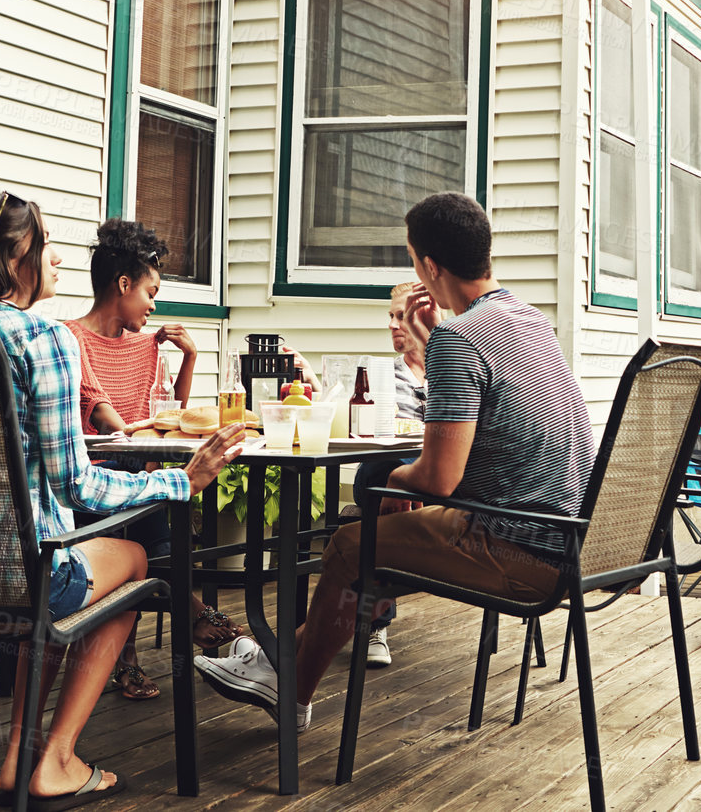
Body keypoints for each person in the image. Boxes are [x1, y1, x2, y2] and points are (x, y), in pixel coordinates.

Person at [195, 192, 593, 730]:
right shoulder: (528, 320)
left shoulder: (460, 336)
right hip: (564, 538)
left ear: (430, 266)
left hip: (514, 552)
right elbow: (481, 398)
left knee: (349, 541)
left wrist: (386, 474)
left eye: (414, 262)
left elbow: (439, 477)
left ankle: (288, 688)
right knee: (373, 534)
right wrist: (435, 342)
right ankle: (275, 657)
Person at [0, 191, 244, 805]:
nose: (58, 258)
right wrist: (183, 480)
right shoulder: (42, 339)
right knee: (132, 562)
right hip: (10, 573)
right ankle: (52, 757)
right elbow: (78, 483)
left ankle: (22, 753)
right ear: (17, 258)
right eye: (44, 246)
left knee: (42, 570)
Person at [63, 218, 244, 700]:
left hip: (132, 478)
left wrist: (188, 361)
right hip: (84, 487)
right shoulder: (69, 340)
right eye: (150, 291)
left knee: (157, 508)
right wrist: (139, 450)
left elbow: (166, 418)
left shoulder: (145, 345)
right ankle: (180, 622)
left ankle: (159, 634)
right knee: (146, 512)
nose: (154, 304)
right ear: (123, 285)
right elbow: (108, 423)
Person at [346, 281, 432, 669]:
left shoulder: (454, 369)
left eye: (403, 316)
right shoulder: (379, 375)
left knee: (370, 514)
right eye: (391, 317)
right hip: (386, 479)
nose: (394, 325)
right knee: (379, 476)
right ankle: (376, 624)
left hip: (435, 483)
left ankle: (372, 620)